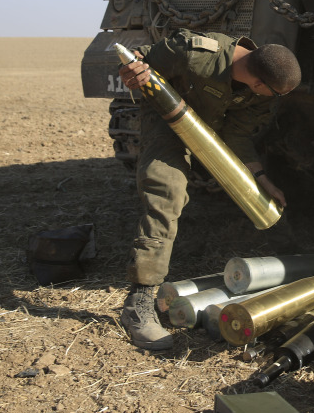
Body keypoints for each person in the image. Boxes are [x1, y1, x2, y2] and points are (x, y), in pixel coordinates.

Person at [116, 30, 301, 350]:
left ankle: (290, 252)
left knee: (249, 193)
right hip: (166, 116)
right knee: (167, 191)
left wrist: (260, 178)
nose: (275, 99)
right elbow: (141, 57)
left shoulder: (255, 95)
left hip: (204, 128)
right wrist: (133, 71)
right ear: (259, 82)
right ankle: (139, 304)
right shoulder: (195, 52)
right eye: (276, 93)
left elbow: (238, 136)